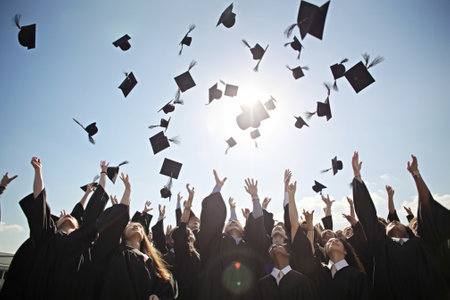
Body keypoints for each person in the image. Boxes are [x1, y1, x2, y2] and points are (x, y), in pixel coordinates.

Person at [352, 151, 449, 299]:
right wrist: (357, 176)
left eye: (397, 221)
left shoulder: (422, 243)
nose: (394, 222)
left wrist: (416, 173)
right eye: (389, 224)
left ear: (408, 230)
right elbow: (367, 214)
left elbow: (427, 206)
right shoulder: (380, 245)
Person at [82, 173, 177, 300]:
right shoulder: (113, 252)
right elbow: (117, 221)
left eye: (139, 226)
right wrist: (128, 190)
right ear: (122, 232)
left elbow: (167, 288)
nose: (136, 226)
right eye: (131, 225)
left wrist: (158, 297)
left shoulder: (152, 263)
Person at [197, 170, 269, 300]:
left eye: (236, 221)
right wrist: (217, 189)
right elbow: (209, 222)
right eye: (230, 222)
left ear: (244, 228)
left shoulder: (251, 245)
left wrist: (255, 196)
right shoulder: (216, 243)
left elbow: (258, 226)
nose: (233, 222)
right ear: (223, 228)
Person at [171, 183, 201, 300]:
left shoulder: (199, 252)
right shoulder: (182, 253)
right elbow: (182, 226)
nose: (190, 234)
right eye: (187, 234)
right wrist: (189, 202)